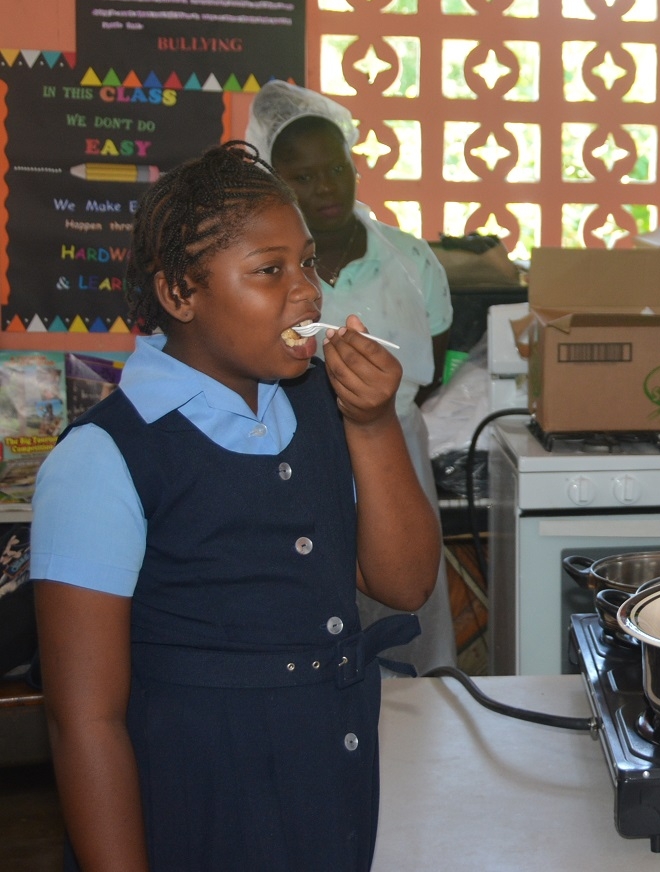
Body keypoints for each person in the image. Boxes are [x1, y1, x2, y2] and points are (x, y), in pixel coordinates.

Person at [30, 143, 441, 871]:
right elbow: (85, 723)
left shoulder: (324, 406)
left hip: (330, 790)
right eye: (269, 270)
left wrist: (373, 423)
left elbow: (404, 583)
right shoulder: (102, 459)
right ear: (180, 294)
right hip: (195, 811)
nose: (307, 292)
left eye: (309, 264)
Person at [246, 81, 458, 675]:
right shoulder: (264, 273)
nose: (326, 187)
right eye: (303, 177)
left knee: (408, 592)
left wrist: (376, 409)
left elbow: (433, 365)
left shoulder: (411, 261)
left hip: (396, 447)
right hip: (301, 450)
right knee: (318, 599)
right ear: (274, 180)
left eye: (336, 168)